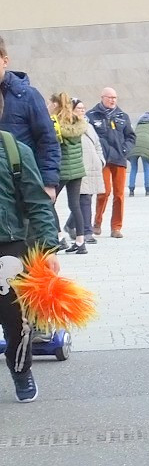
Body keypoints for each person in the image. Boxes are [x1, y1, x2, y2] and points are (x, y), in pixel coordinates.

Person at [0, 96, 61, 402]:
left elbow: (39, 205)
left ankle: (21, 369)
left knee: (18, 324)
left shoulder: (15, 152)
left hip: (8, 249)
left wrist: (48, 249)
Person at [0, 35, 60, 199]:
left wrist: (48, 183)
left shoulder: (27, 96)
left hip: (21, 188)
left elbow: (47, 140)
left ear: (5, 61)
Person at [87, 88, 135, 238]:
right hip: (103, 160)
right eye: (110, 97)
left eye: (115, 97)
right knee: (104, 192)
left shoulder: (122, 116)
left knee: (119, 194)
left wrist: (125, 150)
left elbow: (131, 137)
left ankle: (116, 227)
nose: (112, 100)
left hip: (119, 159)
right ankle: (97, 223)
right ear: (102, 98)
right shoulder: (91, 116)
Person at [51, 93, 89, 253]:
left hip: (63, 170)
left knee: (48, 203)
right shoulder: (78, 123)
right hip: (77, 170)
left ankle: (60, 237)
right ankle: (81, 242)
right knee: (75, 205)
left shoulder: (57, 124)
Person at [69, 99, 104, 245]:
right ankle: (86, 231)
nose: (82, 111)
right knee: (83, 199)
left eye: (83, 108)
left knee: (86, 198)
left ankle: (72, 225)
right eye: (78, 108)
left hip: (93, 166)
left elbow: (97, 144)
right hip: (79, 166)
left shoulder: (89, 126)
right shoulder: (69, 126)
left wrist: (101, 160)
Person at [128, 112, 149, 196]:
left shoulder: (139, 126)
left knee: (133, 168)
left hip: (134, 146)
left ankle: (131, 191)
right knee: (147, 168)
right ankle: (148, 190)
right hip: (146, 146)